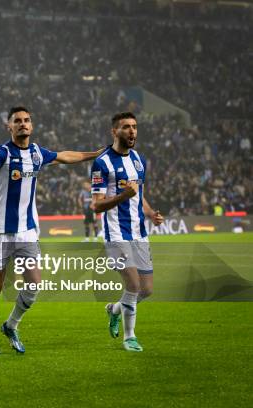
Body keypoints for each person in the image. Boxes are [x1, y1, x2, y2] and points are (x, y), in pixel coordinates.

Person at [0, 106, 103, 355]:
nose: (23, 124)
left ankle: (11, 325)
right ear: (9, 127)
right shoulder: (1, 153)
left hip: (27, 231)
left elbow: (65, 156)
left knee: (34, 284)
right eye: (17, 121)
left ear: (31, 126)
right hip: (0, 231)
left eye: (26, 120)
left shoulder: (36, 153)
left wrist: (95, 154)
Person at [90, 111, 164, 352]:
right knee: (132, 285)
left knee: (147, 289)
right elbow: (97, 204)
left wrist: (151, 214)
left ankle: (114, 309)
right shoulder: (102, 163)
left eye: (134, 126)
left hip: (139, 233)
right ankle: (129, 337)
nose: (132, 131)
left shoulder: (138, 160)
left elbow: (139, 196)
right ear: (114, 131)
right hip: (116, 234)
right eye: (126, 127)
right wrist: (123, 195)